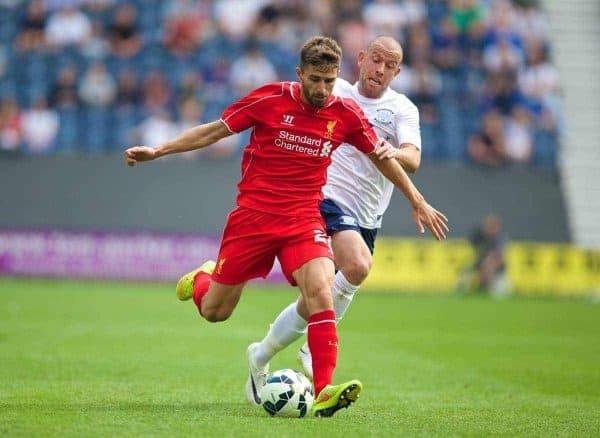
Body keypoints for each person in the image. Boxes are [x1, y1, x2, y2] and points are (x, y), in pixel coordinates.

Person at [124, 36, 448, 417]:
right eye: (315, 80)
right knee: (216, 312)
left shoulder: (344, 114)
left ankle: (325, 388)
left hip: (304, 219)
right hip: (253, 220)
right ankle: (201, 279)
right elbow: (215, 130)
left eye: (329, 81)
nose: (323, 90)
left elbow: (382, 158)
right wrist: (159, 150)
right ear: (300, 75)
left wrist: (416, 199)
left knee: (321, 289)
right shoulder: (270, 99)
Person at [244, 36, 437, 398]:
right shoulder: (335, 91)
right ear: (361, 59)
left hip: (367, 216)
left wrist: (393, 151)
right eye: (375, 60)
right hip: (325, 199)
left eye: (389, 64)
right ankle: (313, 354)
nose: (379, 69)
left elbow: (412, 158)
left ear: (397, 71)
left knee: (316, 299)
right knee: (359, 266)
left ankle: (262, 353)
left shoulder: (402, 110)